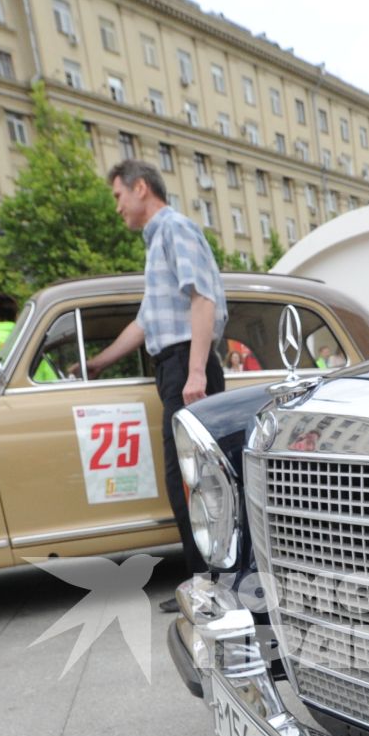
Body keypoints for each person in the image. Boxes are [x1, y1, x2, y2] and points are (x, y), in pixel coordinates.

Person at [87, 158, 228, 578]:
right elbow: (145, 323)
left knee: (195, 480)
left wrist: (197, 372)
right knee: (185, 480)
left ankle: (212, 582)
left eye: (118, 196)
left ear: (141, 188)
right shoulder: (158, 242)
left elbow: (202, 297)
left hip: (187, 363)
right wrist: (97, 363)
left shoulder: (174, 228)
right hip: (175, 365)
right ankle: (202, 579)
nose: (117, 208)